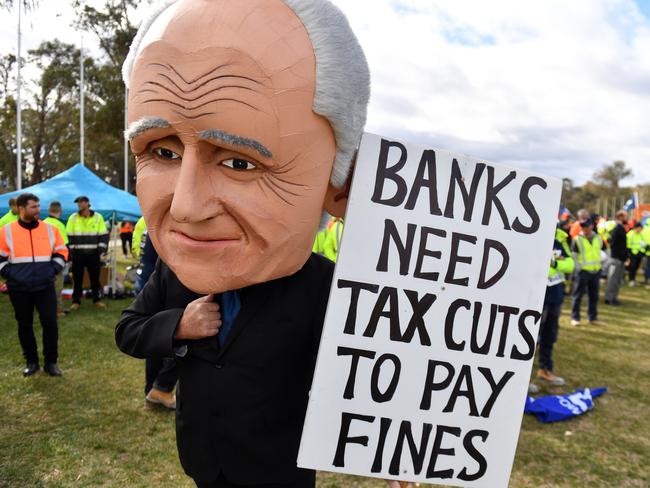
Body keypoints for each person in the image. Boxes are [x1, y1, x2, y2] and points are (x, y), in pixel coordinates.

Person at [115, 1, 370, 487]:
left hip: (276, 471)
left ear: (336, 185)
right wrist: (178, 326)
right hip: (204, 460)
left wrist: (399, 453)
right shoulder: (177, 271)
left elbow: (369, 378)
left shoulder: (324, 287)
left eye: (239, 162)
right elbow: (129, 331)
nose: (187, 208)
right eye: (162, 151)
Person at [0, 193, 68, 376]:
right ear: (21, 209)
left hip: (44, 286)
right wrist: (12, 275)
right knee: (24, 325)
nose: (38, 210)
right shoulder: (6, 231)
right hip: (19, 289)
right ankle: (31, 362)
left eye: (38, 206)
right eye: (33, 207)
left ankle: (51, 363)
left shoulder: (50, 229)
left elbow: (62, 251)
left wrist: (52, 270)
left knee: (50, 323)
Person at [535, 229, 575, 386]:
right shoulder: (535, 234)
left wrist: (554, 263)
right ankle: (521, 379)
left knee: (549, 336)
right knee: (531, 339)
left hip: (555, 294)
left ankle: (545, 370)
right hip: (538, 296)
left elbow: (570, 265)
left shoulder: (560, 238)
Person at [66, 196, 108, 310]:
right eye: (78, 203)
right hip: (78, 255)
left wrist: (100, 251)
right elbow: (69, 236)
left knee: (95, 278)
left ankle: (97, 300)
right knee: (77, 279)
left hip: (93, 254)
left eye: (81, 202)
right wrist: (73, 252)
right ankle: (76, 301)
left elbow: (103, 235)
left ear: (87, 203)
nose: (79, 205)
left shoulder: (98, 217)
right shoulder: (72, 218)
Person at [571, 217, 606, 326]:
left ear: (591, 226)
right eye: (583, 226)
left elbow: (603, 252)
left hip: (596, 271)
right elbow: (574, 257)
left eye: (586, 226)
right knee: (577, 296)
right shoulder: (577, 239)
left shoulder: (599, 238)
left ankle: (592, 317)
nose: (585, 228)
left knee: (594, 296)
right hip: (582, 272)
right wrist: (579, 269)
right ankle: (575, 318)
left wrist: (602, 267)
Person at [43, 201, 69, 316]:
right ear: (60, 211)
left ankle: (46, 308)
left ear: (49, 211)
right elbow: (64, 245)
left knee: (46, 286)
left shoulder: (42, 223)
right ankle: (58, 310)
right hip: (56, 261)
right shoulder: (59, 225)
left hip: (43, 260)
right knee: (57, 286)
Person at [604, 210, 629, 305]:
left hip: (620, 259)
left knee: (617, 280)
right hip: (616, 259)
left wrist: (626, 257)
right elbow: (613, 244)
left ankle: (614, 297)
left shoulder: (621, 228)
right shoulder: (617, 229)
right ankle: (609, 298)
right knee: (612, 280)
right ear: (620, 217)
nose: (627, 218)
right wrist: (618, 257)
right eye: (625, 216)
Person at [626, 222, 645, 286]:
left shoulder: (641, 234)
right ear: (636, 228)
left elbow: (643, 242)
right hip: (632, 254)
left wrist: (643, 251)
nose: (640, 230)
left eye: (641, 228)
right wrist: (629, 253)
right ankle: (631, 280)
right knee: (632, 267)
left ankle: (633, 279)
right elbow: (628, 245)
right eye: (639, 228)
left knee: (636, 267)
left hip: (639, 253)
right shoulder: (630, 234)